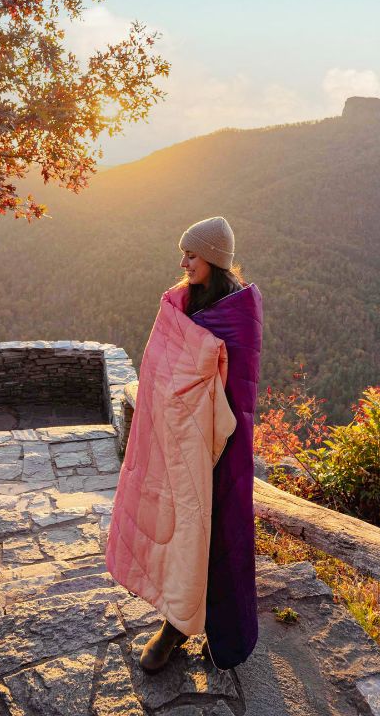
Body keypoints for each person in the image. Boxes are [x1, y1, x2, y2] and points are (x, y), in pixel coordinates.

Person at [137, 216, 264, 673]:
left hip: (223, 440)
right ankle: (175, 624)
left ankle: (221, 628)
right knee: (183, 529)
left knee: (220, 535)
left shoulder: (239, 311)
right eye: (184, 253)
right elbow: (160, 367)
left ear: (213, 258)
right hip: (180, 438)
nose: (183, 262)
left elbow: (240, 387)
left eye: (191, 255)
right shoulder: (179, 305)